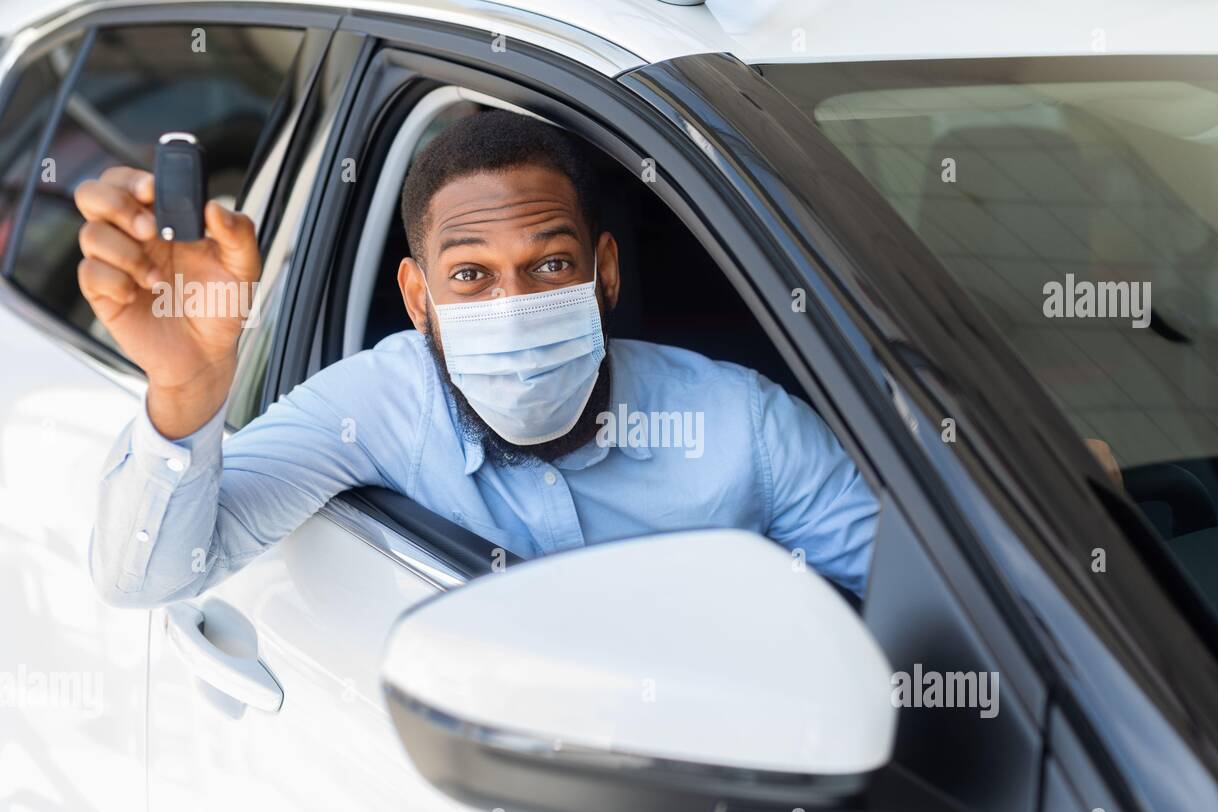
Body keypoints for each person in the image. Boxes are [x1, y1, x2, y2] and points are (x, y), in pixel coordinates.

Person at [80, 112, 879, 605]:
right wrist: (187, 385)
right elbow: (148, 578)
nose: (514, 304)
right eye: (470, 276)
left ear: (604, 272)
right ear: (418, 298)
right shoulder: (372, 409)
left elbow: (929, 612)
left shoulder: (745, 427)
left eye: (550, 265)